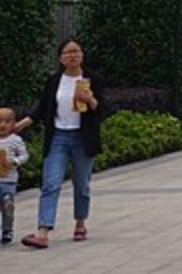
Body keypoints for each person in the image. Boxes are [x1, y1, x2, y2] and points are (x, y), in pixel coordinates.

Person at [14, 38, 106, 249]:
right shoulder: (54, 81)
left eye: (76, 51)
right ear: (60, 58)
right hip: (58, 138)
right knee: (50, 183)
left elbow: (101, 110)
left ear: (82, 55)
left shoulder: (92, 79)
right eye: (67, 52)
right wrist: (22, 124)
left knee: (81, 185)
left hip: (82, 139)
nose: (72, 56)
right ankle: (43, 231)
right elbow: (43, 108)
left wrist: (91, 99)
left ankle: (80, 222)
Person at [0, 107, 32, 246]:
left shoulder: (15, 140)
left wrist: (14, 161)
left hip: (8, 181)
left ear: (14, 124)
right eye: (0, 121)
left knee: (7, 206)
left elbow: (25, 155)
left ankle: (7, 230)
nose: (2, 125)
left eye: (7, 121)